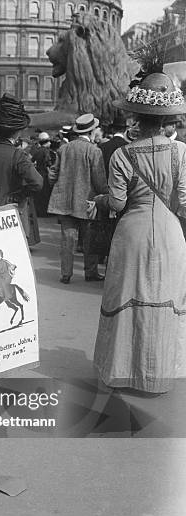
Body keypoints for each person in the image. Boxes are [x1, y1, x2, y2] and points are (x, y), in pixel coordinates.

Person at [93, 69, 186, 393]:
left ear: (136, 116)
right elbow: (185, 202)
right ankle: (157, 377)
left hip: (131, 232)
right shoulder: (181, 152)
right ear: (166, 119)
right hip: (170, 234)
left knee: (126, 297)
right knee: (165, 299)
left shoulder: (122, 154)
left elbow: (117, 204)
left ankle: (122, 372)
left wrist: (102, 199)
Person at [48, 113, 108, 284]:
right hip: (87, 201)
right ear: (91, 131)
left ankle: (66, 273)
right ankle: (91, 272)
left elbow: (53, 174)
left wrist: (57, 185)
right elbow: (99, 179)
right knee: (90, 238)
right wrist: (105, 195)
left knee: (67, 239)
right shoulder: (94, 151)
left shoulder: (63, 149)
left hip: (64, 201)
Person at [0, 94, 43, 245]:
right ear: (18, 131)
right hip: (12, 216)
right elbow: (37, 183)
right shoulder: (18, 155)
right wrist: (20, 195)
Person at [31, 132, 53, 217]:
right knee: (46, 194)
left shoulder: (37, 151)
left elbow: (32, 161)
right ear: (45, 142)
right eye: (48, 141)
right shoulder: (46, 152)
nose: (50, 143)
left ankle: (39, 212)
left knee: (39, 194)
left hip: (38, 173)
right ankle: (45, 212)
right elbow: (48, 163)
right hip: (45, 174)